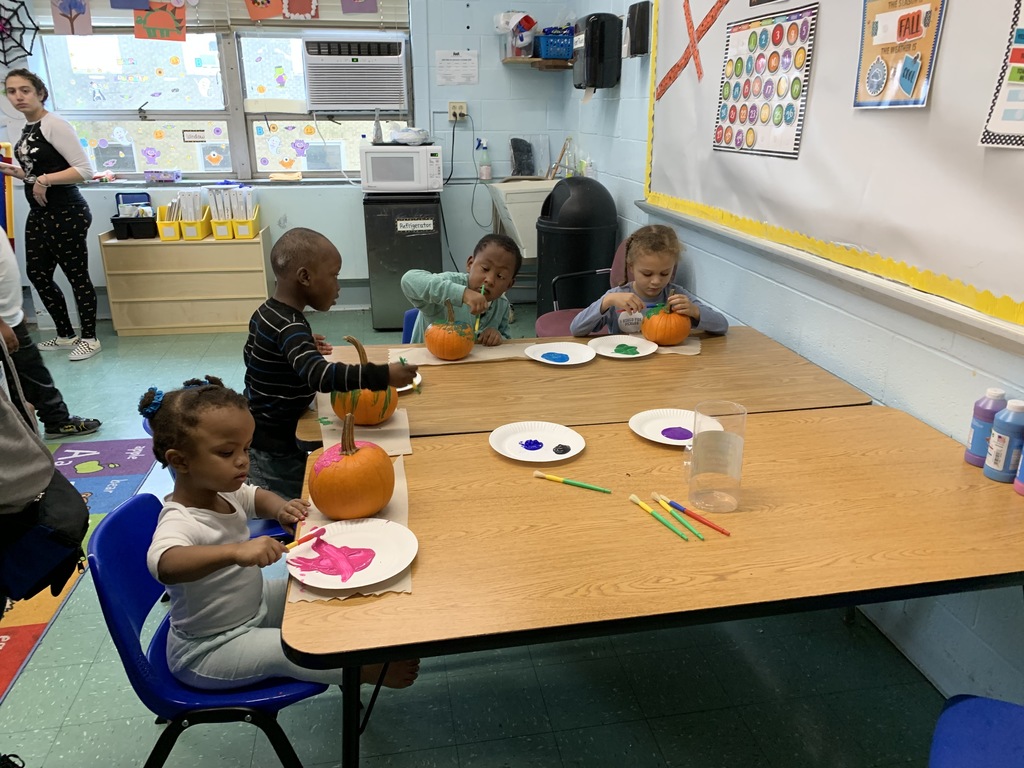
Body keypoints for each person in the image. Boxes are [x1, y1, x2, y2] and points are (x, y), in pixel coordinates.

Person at [140, 377, 420, 691]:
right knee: (288, 649)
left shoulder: (222, 491)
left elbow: (255, 496)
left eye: (246, 448)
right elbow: (165, 563)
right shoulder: (180, 519)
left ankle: (359, 640)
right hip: (209, 649)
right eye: (226, 452)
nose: (243, 460)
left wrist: (280, 508)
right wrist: (235, 552)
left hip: (253, 606)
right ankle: (369, 671)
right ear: (180, 460)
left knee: (311, 590)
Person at [244, 227, 417, 501]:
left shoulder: (267, 313)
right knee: (301, 507)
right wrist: (382, 375)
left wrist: (293, 349)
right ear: (305, 277)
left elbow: (253, 356)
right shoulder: (289, 326)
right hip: (276, 451)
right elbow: (320, 376)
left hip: (265, 433)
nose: (338, 286)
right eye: (334, 276)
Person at [0, 69, 99, 361]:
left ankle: (90, 338)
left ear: (40, 93)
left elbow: (84, 171)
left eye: (25, 90)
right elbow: (36, 172)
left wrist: (44, 180)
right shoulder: (28, 127)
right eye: (11, 91)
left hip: (67, 210)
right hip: (40, 212)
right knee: (37, 274)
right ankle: (66, 334)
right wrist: (13, 171)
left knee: (76, 275)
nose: (18, 96)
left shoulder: (54, 124)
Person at [0, 225, 100, 438]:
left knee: (32, 372)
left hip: (10, 318)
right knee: (17, 378)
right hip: (3, 323)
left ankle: (55, 421)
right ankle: (28, 429)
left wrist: (14, 308)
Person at [570, 225, 730, 337]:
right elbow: (576, 329)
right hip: (625, 369)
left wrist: (695, 311)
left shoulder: (675, 295)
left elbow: (722, 325)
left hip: (665, 369)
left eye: (664, 273)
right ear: (631, 267)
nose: (656, 281)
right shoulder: (618, 297)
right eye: (647, 274)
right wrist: (606, 301)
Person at [401, 233, 522, 346]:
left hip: (473, 367)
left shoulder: (502, 304)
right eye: (485, 269)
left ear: (509, 284)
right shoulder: (449, 283)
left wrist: (498, 336)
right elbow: (409, 280)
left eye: (500, 276)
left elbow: (506, 339)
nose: (490, 280)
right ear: (470, 264)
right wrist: (462, 294)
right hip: (428, 363)